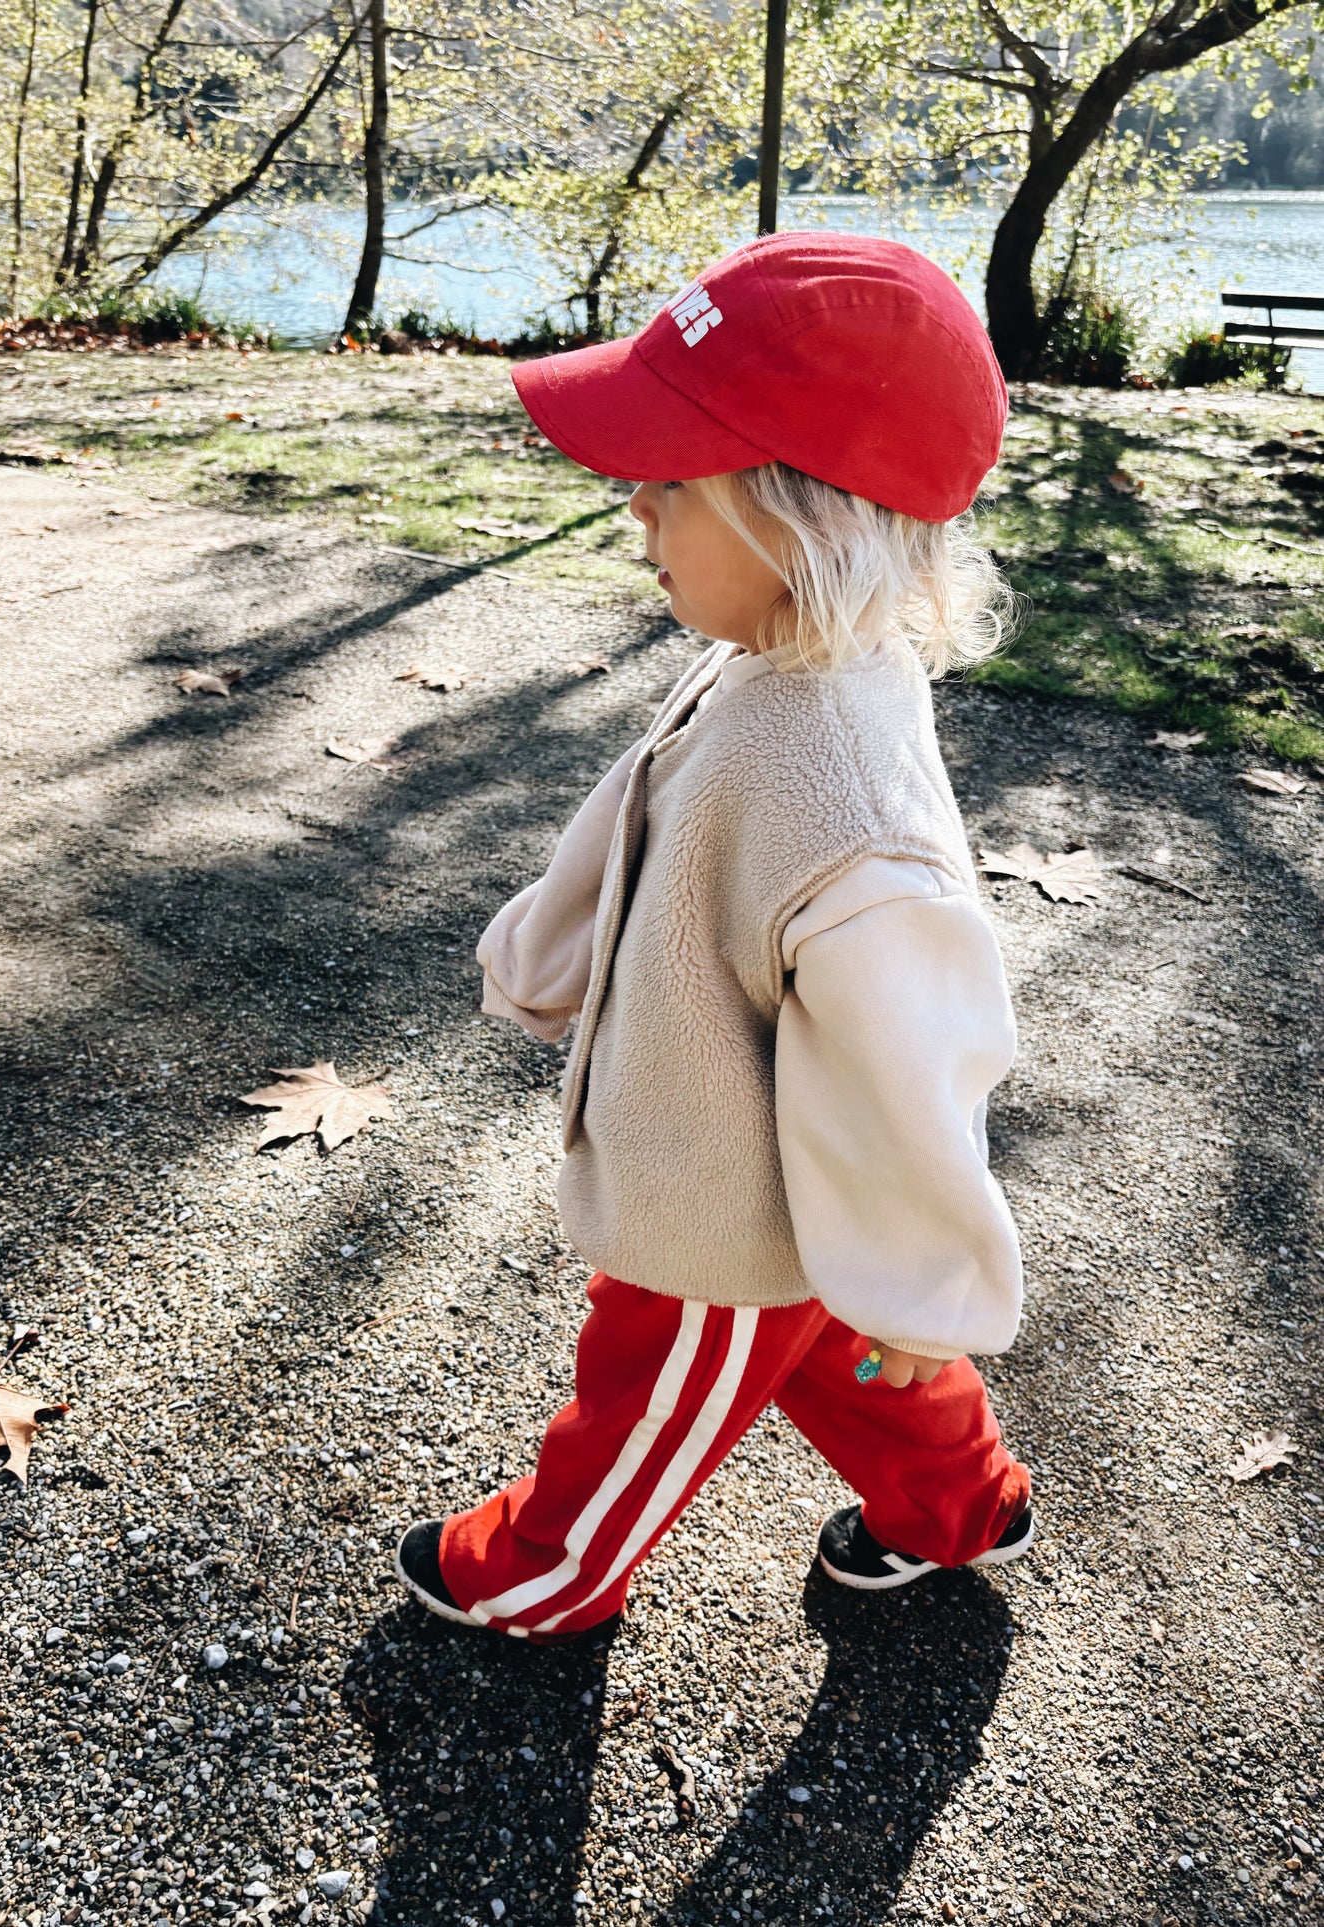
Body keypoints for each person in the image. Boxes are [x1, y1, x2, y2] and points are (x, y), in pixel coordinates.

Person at [394, 232, 1034, 1644]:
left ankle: (539, 1573)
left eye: (670, 485)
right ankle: (962, 1507)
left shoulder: (851, 804)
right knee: (851, 1357)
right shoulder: (762, 662)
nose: (631, 508)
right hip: (773, 1178)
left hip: (729, 1198)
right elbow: (642, 817)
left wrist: (926, 1270)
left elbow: (911, 1066)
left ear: (811, 520)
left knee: (648, 1389)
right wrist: (544, 952)